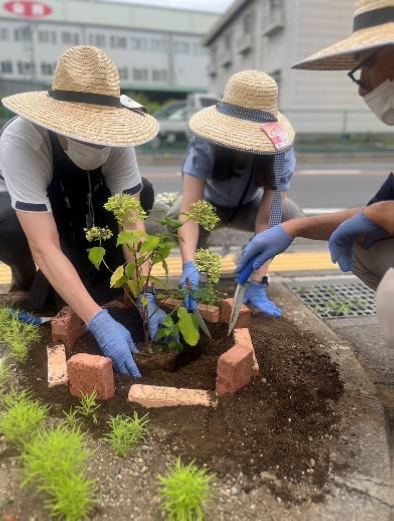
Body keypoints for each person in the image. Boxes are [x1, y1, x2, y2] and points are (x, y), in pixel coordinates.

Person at [0, 45, 170, 378]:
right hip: (35, 206)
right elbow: (44, 246)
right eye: (84, 135)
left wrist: (146, 293)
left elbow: (132, 226)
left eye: (101, 138)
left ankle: (98, 278)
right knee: (6, 222)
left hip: (90, 195)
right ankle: (26, 279)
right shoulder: (23, 140)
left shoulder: (119, 142)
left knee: (143, 192)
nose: (96, 145)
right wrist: (98, 321)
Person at [238, 0, 394, 295]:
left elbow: (272, 205)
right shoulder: (205, 150)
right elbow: (371, 211)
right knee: (363, 240)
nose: (361, 86)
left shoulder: (278, 149)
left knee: (389, 289)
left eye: (368, 63)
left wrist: (382, 214)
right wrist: (293, 229)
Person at [173, 70, 303, 317]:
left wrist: (258, 278)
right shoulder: (205, 142)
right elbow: (190, 208)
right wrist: (188, 263)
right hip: (210, 206)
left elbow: (269, 220)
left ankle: (251, 277)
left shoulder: (280, 150)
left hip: (249, 208)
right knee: (174, 213)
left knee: (289, 214)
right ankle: (197, 271)